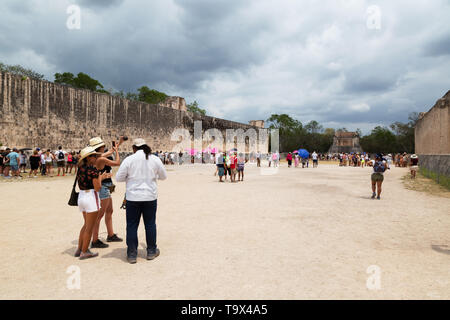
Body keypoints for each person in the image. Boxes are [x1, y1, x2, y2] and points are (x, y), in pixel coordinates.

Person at [116, 138, 167, 264]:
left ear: (134, 148)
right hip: (150, 197)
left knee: (132, 225)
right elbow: (163, 176)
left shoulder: (129, 159)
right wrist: (152, 176)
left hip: (133, 197)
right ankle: (151, 251)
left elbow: (119, 178)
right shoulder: (154, 159)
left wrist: (131, 178)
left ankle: (132, 254)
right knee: (150, 224)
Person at [75, 146, 111, 260]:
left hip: (81, 196)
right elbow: (97, 188)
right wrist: (102, 177)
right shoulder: (93, 170)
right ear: (88, 158)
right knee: (89, 227)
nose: (96, 157)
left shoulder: (80, 168)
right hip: (90, 197)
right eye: (94, 156)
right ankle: (84, 251)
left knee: (85, 225)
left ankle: (79, 249)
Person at [88, 137, 123, 249]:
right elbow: (117, 163)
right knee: (99, 215)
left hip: (105, 186)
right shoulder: (100, 159)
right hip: (103, 187)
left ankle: (110, 234)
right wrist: (117, 151)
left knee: (109, 211)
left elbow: (110, 151)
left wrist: (118, 145)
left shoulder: (97, 157)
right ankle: (95, 240)